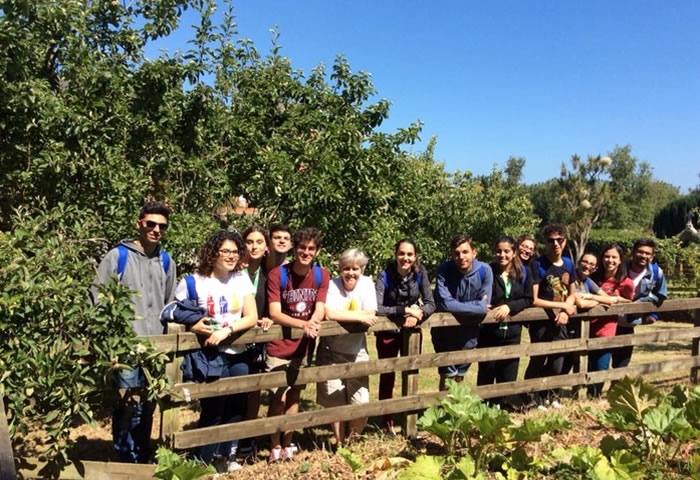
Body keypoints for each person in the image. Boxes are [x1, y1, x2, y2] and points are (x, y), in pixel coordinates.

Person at [92, 201, 177, 464]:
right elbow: (98, 299)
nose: (156, 230)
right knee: (127, 404)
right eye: (151, 224)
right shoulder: (118, 256)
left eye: (162, 226)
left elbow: (170, 302)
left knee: (148, 404)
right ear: (139, 223)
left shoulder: (166, 260)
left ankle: (143, 452)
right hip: (125, 346)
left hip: (155, 348)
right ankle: (124, 457)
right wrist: (108, 346)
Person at [166, 230, 258, 472]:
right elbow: (173, 311)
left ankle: (226, 457)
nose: (230, 256)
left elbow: (252, 316)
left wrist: (226, 331)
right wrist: (193, 325)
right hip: (209, 355)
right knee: (213, 409)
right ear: (213, 252)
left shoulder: (241, 279)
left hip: (238, 351)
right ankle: (203, 461)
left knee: (237, 405)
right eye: (225, 251)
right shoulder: (193, 282)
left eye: (235, 251)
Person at [266, 227, 330, 462]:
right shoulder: (278, 274)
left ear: (317, 251)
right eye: (302, 247)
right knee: (277, 397)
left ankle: (288, 442)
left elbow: (320, 306)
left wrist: (314, 320)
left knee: (294, 395)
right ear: (295, 248)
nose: (305, 252)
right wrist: (302, 325)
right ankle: (273, 444)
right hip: (278, 345)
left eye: (311, 248)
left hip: (303, 347)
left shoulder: (322, 275)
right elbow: (275, 313)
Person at [375, 238, 435, 434]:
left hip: (411, 332)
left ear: (415, 256)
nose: (405, 258)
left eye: (409, 254)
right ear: (395, 255)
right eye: (401, 253)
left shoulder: (420, 274)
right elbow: (377, 307)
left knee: (411, 372)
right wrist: (406, 310)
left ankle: (409, 419)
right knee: (387, 374)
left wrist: (418, 315)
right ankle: (387, 420)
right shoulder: (384, 275)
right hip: (387, 332)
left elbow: (430, 303)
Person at [318, 249, 377, 445]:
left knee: (360, 401)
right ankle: (339, 441)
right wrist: (359, 316)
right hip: (330, 350)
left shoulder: (367, 283)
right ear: (340, 269)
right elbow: (329, 313)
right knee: (333, 400)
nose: (350, 273)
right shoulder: (332, 285)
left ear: (362, 270)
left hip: (356, 350)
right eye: (346, 268)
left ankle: (352, 441)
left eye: (355, 269)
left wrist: (363, 314)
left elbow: (371, 311)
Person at [523, 224, 577, 409]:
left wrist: (565, 309)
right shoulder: (538, 265)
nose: (555, 244)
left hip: (560, 320)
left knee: (557, 361)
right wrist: (562, 306)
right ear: (545, 243)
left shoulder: (569, 264)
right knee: (538, 359)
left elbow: (571, 293)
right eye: (551, 240)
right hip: (541, 322)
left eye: (559, 240)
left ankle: (550, 394)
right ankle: (529, 397)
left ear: (565, 241)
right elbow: (535, 299)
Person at [477, 236, 533, 409]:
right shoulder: (488, 271)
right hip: (489, 333)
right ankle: (484, 410)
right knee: (487, 372)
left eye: (506, 251)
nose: (502, 254)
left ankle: (503, 409)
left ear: (514, 252)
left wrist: (510, 307)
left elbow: (528, 298)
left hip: (513, 333)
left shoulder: (523, 273)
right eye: (499, 251)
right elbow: (479, 293)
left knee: (508, 374)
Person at [432, 234, 493, 391]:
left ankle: (455, 412)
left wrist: (456, 305)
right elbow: (446, 303)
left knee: (460, 376)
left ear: (474, 253)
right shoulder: (444, 270)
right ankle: (444, 412)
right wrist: (477, 306)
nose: (461, 257)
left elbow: (485, 304)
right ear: (452, 255)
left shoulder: (485, 271)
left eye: (465, 252)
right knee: (447, 377)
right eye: (456, 253)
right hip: (444, 335)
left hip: (470, 335)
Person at [237, 226, 275, 458]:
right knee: (232, 391)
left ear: (266, 247)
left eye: (259, 242)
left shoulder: (269, 276)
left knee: (253, 392)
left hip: (258, 342)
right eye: (249, 241)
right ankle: (227, 441)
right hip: (234, 340)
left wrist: (269, 318)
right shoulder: (232, 274)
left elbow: (273, 306)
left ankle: (247, 440)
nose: (254, 246)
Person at [612, 238, 668, 369]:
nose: (644, 256)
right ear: (632, 253)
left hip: (628, 322)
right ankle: (595, 390)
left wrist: (645, 306)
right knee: (600, 360)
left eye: (648, 253)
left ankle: (615, 389)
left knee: (621, 363)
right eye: (640, 252)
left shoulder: (655, 273)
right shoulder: (619, 269)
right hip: (609, 320)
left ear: (652, 256)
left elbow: (661, 295)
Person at [587, 244, 633, 396]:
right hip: (586, 328)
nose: (610, 260)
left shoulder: (626, 282)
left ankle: (594, 397)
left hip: (607, 330)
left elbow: (629, 301)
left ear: (620, 261)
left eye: (614, 257)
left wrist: (615, 299)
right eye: (607, 256)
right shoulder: (592, 278)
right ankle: (587, 395)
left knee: (601, 366)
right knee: (586, 366)